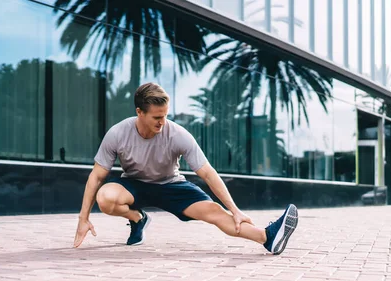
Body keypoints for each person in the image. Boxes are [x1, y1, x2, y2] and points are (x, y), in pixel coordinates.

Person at [73, 82, 298, 254]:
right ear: (139, 112)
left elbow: (207, 172)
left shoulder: (178, 135)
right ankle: (137, 219)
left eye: (165, 115)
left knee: (215, 213)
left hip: (171, 186)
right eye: (156, 117)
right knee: (106, 197)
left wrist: (235, 210)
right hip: (134, 185)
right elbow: (96, 177)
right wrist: (83, 218)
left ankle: (267, 238)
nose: (162, 122)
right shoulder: (118, 134)